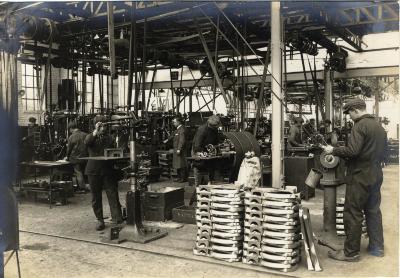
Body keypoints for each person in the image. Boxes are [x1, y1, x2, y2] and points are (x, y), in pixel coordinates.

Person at [322, 98, 388, 261]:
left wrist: (334, 150)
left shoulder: (360, 126)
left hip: (359, 175)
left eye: (349, 113)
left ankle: (350, 252)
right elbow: (384, 154)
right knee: (373, 211)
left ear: (355, 110)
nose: (349, 117)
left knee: (353, 212)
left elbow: (353, 151)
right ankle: (377, 247)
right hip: (376, 173)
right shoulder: (379, 127)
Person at [84, 115, 122, 231]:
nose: (104, 128)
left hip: (108, 170)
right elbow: (87, 142)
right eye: (102, 125)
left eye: (105, 125)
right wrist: (95, 131)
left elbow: (114, 151)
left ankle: (117, 218)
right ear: (97, 125)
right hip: (94, 171)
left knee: (112, 193)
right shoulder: (90, 137)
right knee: (96, 197)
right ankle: (100, 220)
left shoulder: (109, 138)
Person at [191, 115, 221, 186]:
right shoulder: (202, 130)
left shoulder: (215, 130)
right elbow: (197, 146)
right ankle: (199, 186)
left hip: (208, 152)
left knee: (211, 168)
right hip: (199, 152)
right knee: (200, 169)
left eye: (216, 127)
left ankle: (209, 182)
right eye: (214, 127)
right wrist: (204, 153)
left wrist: (217, 148)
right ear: (209, 124)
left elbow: (216, 141)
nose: (215, 128)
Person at [65, 121, 88, 192]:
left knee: (78, 172)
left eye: (69, 130)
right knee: (84, 172)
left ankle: (82, 188)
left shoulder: (71, 137)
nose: (70, 131)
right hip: (86, 157)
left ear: (71, 128)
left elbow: (69, 149)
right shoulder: (86, 135)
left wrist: (67, 157)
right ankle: (85, 186)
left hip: (75, 158)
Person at [164, 117, 187, 182]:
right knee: (177, 164)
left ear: (179, 122)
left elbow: (182, 140)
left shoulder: (182, 129)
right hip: (176, 149)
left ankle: (183, 178)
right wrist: (167, 140)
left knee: (181, 164)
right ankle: (180, 178)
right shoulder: (177, 129)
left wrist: (179, 149)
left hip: (180, 149)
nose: (173, 123)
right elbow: (172, 135)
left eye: (174, 122)